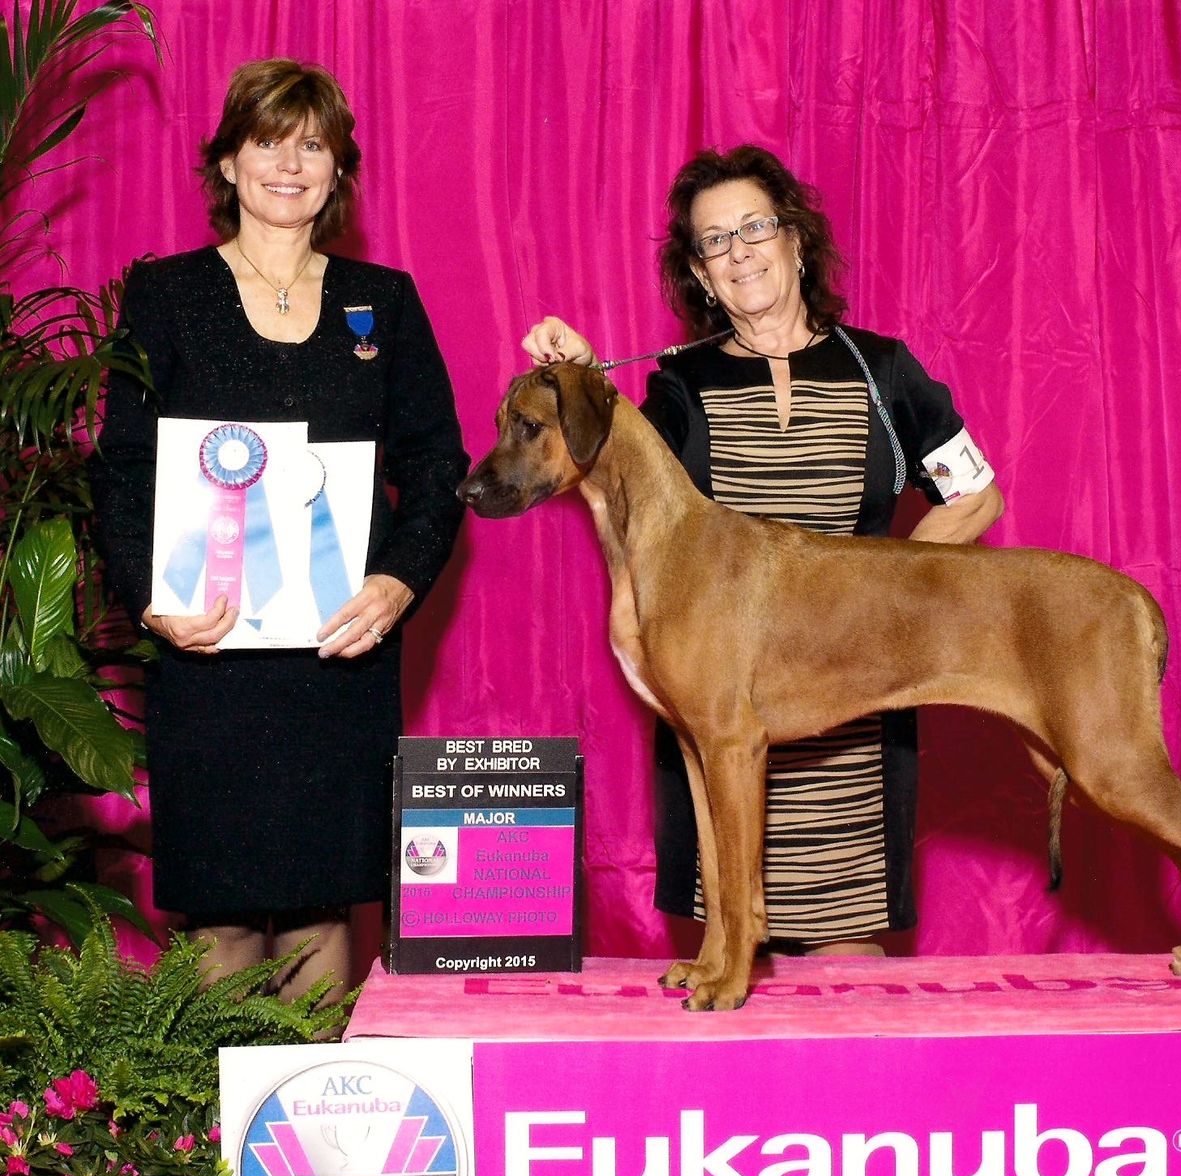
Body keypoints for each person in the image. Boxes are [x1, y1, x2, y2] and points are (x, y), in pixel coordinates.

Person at [524, 144, 1003, 956]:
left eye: (755, 227)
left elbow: (978, 495)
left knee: (848, 1007)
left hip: (851, 736)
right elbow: (622, 490)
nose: (739, 250)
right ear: (703, 279)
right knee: (737, 1008)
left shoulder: (883, 369)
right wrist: (581, 373)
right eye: (715, 242)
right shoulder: (679, 383)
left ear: (797, 242)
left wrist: (889, 595)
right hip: (724, 724)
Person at [89, 59, 468, 995]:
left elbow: (435, 465)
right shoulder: (166, 295)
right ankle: (204, 1139)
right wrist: (152, 601)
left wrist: (399, 581)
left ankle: (320, 1133)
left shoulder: (385, 298)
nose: (290, 163)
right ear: (225, 164)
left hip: (341, 654)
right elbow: (123, 466)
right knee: (217, 907)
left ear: (340, 169)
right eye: (268, 140)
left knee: (321, 905)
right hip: (208, 656)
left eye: (313, 144)